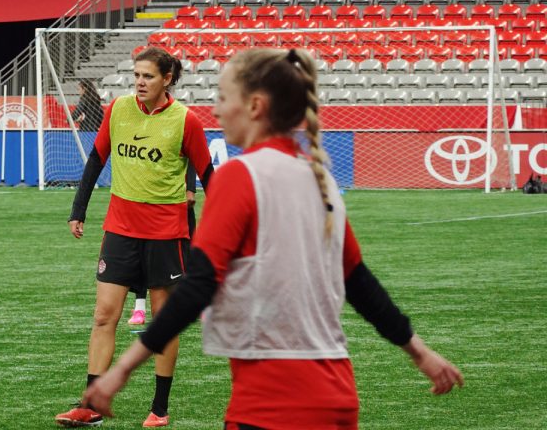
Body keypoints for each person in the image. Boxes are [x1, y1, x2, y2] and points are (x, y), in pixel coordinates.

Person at [83, 48, 464, 430]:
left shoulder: (238, 178)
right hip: (337, 398)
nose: (216, 111)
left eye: (223, 98)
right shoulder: (321, 180)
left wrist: (124, 369)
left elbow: (198, 286)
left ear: (255, 106)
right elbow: (358, 281)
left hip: (268, 403)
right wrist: (418, 351)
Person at [56, 46, 215, 428]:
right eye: (137, 75)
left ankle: (159, 408)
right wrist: (79, 210)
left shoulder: (186, 121)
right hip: (120, 230)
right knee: (103, 316)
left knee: (163, 320)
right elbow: (96, 159)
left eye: (148, 76)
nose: (139, 82)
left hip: (167, 233)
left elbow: (209, 176)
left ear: (167, 79)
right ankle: (90, 403)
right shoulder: (118, 110)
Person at [127, 163, 198, 326]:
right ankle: (139, 307)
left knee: (188, 249)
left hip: (177, 201)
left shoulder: (182, 137)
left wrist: (190, 189)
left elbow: (193, 159)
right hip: (147, 200)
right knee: (143, 252)